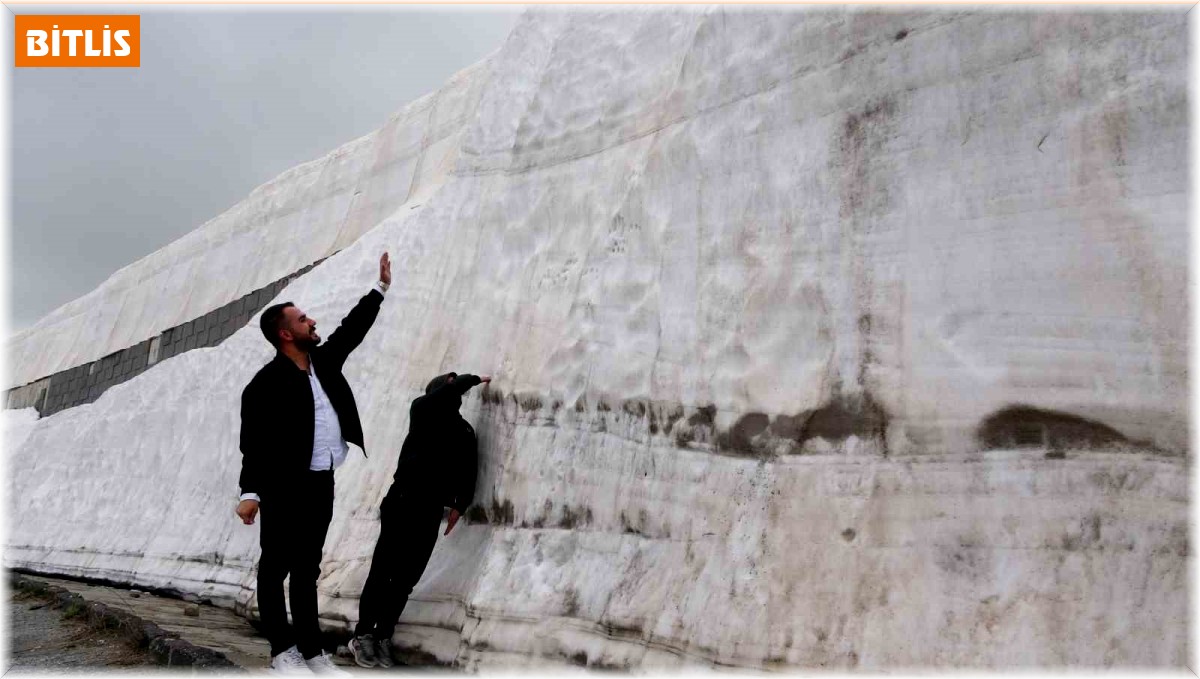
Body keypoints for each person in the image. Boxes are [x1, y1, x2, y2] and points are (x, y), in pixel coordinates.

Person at [236, 252, 392, 675]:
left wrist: (378, 290)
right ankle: (281, 651)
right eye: (304, 320)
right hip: (283, 485)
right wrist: (251, 492)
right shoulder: (264, 385)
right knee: (275, 568)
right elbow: (254, 443)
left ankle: (311, 651)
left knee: (307, 570)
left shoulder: (323, 362)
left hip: (321, 481)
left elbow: (350, 331)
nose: (313, 323)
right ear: (286, 334)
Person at [348, 371, 490, 668]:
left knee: (405, 578)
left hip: (429, 509)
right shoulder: (423, 411)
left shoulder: (463, 430)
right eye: (449, 389)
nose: (455, 395)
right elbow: (444, 395)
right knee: (383, 570)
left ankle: (383, 635)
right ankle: (362, 635)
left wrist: (459, 505)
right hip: (402, 501)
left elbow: (468, 469)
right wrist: (470, 378)